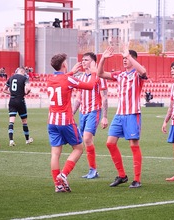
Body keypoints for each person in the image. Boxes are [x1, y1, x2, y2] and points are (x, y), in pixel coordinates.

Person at [97, 46, 148, 188]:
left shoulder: (137, 74)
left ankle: (137, 179)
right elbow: (100, 73)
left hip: (132, 114)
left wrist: (130, 56)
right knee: (110, 143)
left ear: (133, 59)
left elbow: (143, 71)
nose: (124, 60)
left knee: (133, 145)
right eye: (123, 58)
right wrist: (103, 58)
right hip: (119, 115)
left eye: (127, 58)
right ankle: (122, 175)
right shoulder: (120, 75)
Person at [47, 53, 97, 193]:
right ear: (64, 64)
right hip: (65, 121)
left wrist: (71, 72)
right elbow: (90, 85)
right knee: (79, 148)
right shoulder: (68, 79)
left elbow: (61, 79)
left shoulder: (50, 78)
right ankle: (63, 174)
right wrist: (93, 72)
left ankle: (57, 185)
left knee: (55, 154)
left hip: (51, 121)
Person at [73, 52, 108, 179]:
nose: (83, 62)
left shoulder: (99, 76)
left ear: (93, 62)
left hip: (94, 110)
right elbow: (78, 97)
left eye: (86, 60)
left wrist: (105, 116)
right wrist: (72, 113)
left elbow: (104, 97)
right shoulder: (81, 77)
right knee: (86, 141)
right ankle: (93, 170)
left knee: (87, 138)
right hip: (83, 112)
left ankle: (93, 169)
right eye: (82, 60)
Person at [3, 67, 33, 147]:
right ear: (22, 71)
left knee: (11, 121)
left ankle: (11, 140)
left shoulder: (11, 78)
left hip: (12, 100)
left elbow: (4, 90)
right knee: (24, 121)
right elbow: (28, 88)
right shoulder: (24, 78)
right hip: (20, 101)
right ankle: (27, 140)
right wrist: (26, 92)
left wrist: (12, 93)